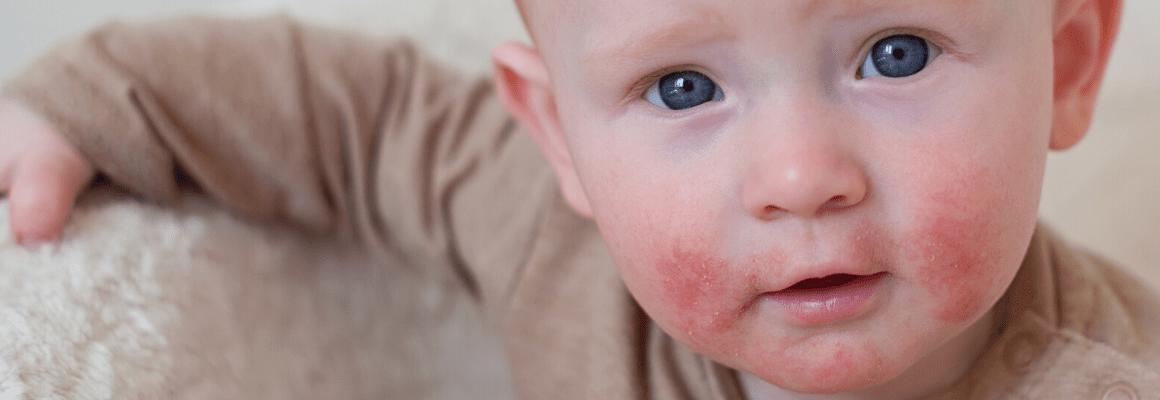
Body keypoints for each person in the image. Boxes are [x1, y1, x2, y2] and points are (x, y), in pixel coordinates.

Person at [1, 0, 1156, 398]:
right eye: (683, 85)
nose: (801, 178)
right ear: (555, 129)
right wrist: (89, 102)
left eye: (894, 52)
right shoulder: (551, 237)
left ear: (1064, 65)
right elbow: (353, 114)